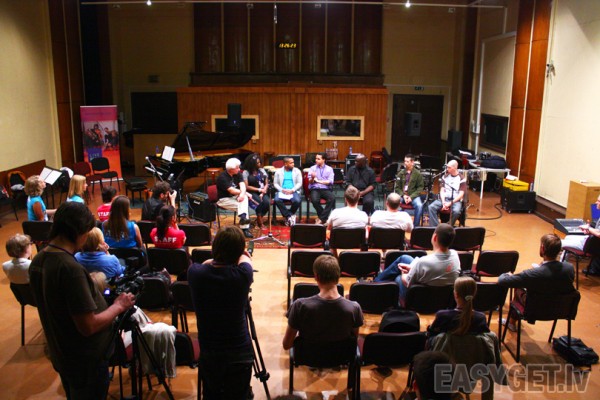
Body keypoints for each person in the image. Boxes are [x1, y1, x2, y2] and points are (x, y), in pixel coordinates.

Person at [28, 202, 135, 399]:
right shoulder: (70, 269)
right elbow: (88, 325)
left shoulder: (38, 260)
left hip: (62, 353)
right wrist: (119, 306)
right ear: (78, 231)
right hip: (85, 360)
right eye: (86, 232)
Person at [187, 226, 254, 399]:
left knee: (211, 395)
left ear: (214, 248)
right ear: (239, 252)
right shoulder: (243, 276)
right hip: (239, 351)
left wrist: (218, 256)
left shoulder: (195, 274)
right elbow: (246, 261)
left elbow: (207, 264)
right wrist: (241, 254)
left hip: (210, 351)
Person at [283, 254, 364, 349]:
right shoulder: (354, 308)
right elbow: (352, 343)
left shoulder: (299, 306)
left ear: (316, 277)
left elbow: (286, 345)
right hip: (339, 356)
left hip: (310, 356)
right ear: (338, 276)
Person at [499, 233, 575, 331]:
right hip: (561, 309)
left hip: (535, 310)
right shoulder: (569, 268)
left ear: (542, 248)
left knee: (519, 287)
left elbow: (502, 281)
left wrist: (507, 274)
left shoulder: (533, 274)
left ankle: (511, 322)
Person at [375, 223, 460, 300]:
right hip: (442, 298)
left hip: (421, 298)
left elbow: (407, 282)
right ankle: (377, 281)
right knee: (404, 258)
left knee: (398, 278)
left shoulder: (424, 262)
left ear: (435, 237)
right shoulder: (455, 255)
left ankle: (376, 285)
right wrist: (412, 268)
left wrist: (403, 273)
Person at [562, 194, 600, 275]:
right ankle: (563, 265)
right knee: (568, 237)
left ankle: (556, 268)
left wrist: (588, 228)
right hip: (591, 242)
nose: (596, 202)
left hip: (589, 246)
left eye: (598, 201)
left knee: (559, 243)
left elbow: (599, 234)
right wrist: (590, 231)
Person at [216, 158, 254, 238]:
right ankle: (244, 228)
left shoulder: (238, 174)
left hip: (234, 197)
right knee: (243, 206)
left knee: (244, 199)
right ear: (231, 169)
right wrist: (245, 193)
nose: (239, 169)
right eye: (237, 168)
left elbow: (242, 185)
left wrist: (242, 194)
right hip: (223, 200)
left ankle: (243, 219)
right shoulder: (222, 177)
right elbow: (231, 190)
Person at [428, 160, 466, 227]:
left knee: (456, 211)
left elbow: (461, 194)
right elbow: (442, 190)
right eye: (447, 167)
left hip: (455, 201)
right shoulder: (444, 177)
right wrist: (443, 202)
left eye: (449, 167)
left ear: (455, 167)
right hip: (444, 199)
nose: (447, 169)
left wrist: (450, 203)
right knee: (431, 207)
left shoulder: (462, 178)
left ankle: (448, 227)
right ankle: (435, 227)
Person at [394, 153, 425, 227]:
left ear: (412, 162)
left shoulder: (417, 174)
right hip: (402, 195)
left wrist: (411, 197)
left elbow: (420, 188)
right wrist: (403, 195)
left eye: (407, 161)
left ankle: (415, 226)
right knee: (394, 202)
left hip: (413, 196)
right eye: (405, 161)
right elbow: (397, 187)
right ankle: (396, 224)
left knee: (419, 205)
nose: (405, 163)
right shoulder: (401, 173)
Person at [242, 153, 270, 228]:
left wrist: (263, 191)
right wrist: (259, 190)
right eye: (257, 163)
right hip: (252, 192)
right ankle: (260, 221)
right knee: (259, 202)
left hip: (262, 191)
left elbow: (266, 183)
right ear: (252, 164)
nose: (259, 164)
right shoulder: (246, 172)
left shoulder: (262, 170)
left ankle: (259, 217)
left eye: (260, 162)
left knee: (267, 203)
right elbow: (246, 186)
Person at [307, 152, 336, 225]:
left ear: (324, 160)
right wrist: (312, 178)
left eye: (318, 159)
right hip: (315, 188)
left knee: (332, 198)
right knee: (314, 200)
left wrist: (319, 181)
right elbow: (310, 182)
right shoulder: (312, 168)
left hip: (325, 189)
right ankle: (324, 218)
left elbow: (330, 181)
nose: (316, 160)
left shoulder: (329, 169)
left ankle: (320, 219)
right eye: (316, 158)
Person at [273, 157, 303, 226]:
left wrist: (292, 190)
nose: (293, 164)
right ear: (285, 164)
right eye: (291, 163)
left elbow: (299, 183)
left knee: (297, 201)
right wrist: (281, 190)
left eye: (293, 162)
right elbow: (275, 183)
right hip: (282, 191)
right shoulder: (278, 172)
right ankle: (289, 216)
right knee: (277, 200)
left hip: (293, 190)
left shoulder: (297, 171)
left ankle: (288, 216)